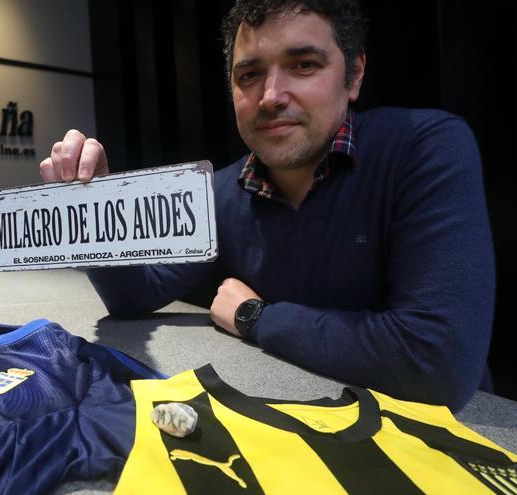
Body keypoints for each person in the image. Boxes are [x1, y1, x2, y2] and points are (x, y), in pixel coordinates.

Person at [39, 0, 494, 412]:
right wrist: (95, 205)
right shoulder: (220, 191)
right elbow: (133, 296)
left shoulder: (425, 147)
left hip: (450, 440)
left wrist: (255, 317)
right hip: (295, 427)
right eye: (250, 75)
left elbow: (435, 362)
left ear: (353, 76)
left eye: (303, 65)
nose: (271, 96)